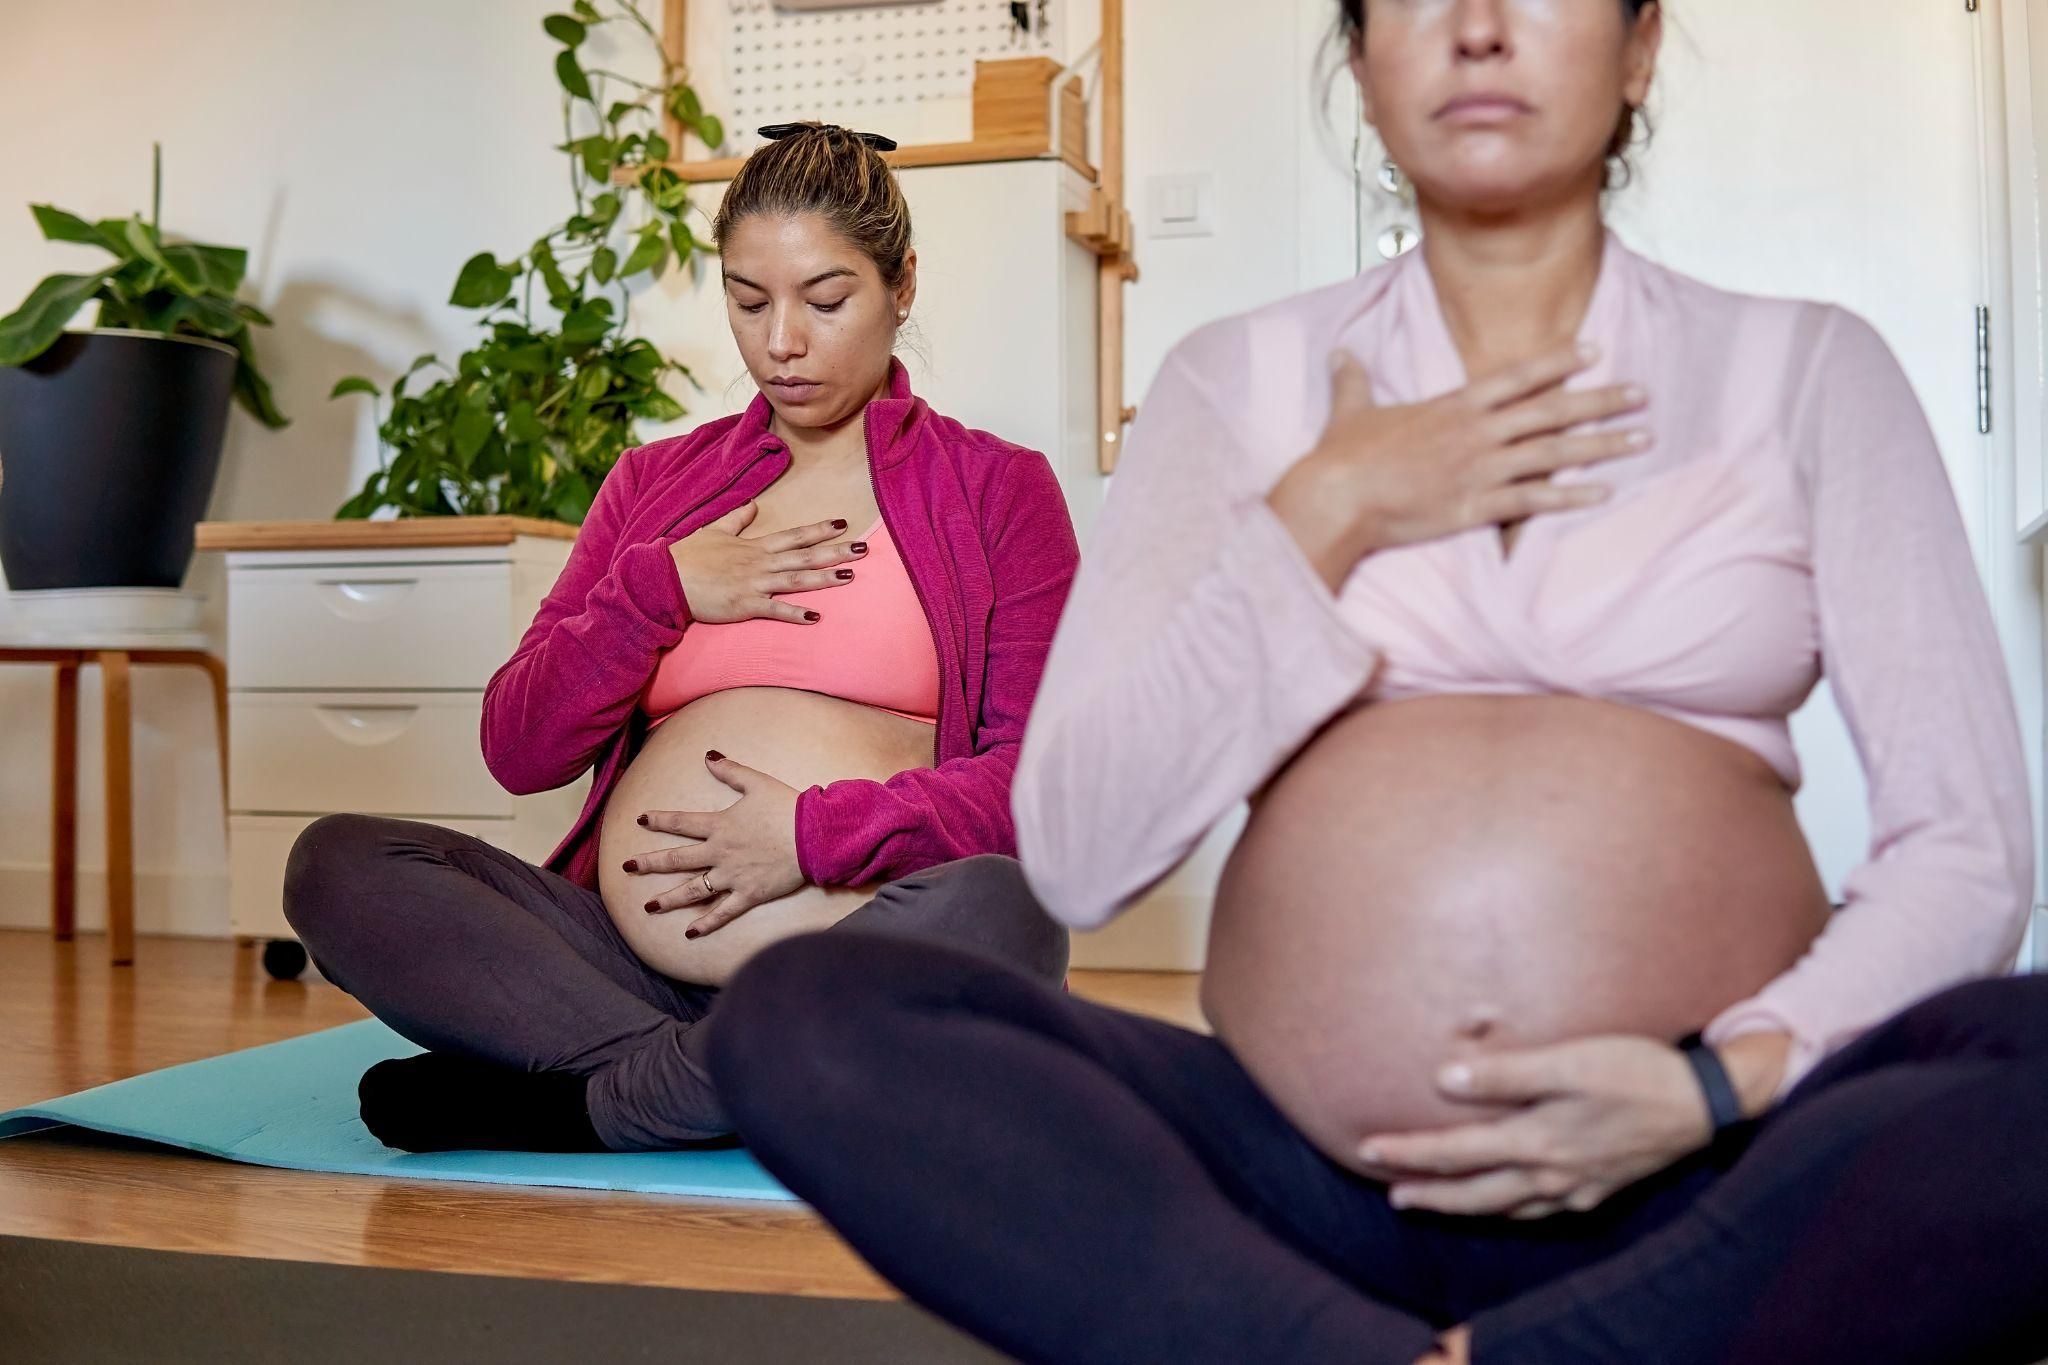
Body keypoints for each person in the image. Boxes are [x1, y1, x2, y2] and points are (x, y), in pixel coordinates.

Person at [703, 6, 2048, 1363]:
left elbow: (1969, 848)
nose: (1474, 29)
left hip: (1714, 1175)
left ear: (1640, 50)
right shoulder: (1238, 385)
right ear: (1358, 61)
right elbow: (1078, 851)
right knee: (811, 1016)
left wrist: (1722, 1077)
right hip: (1293, 1180)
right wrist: (1326, 512)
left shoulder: (1806, 373)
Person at [281, 122, 1079, 1155]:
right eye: (747, 302)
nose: (781, 342)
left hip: (857, 944)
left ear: (901, 285)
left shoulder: (994, 489)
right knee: (336, 865)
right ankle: (743, 1072)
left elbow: (1040, 788)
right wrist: (657, 589)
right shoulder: (653, 489)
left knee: (1005, 911)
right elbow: (518, 750)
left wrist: (807, 835)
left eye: (825, 300)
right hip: (620, 964)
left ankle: (601, 1101)